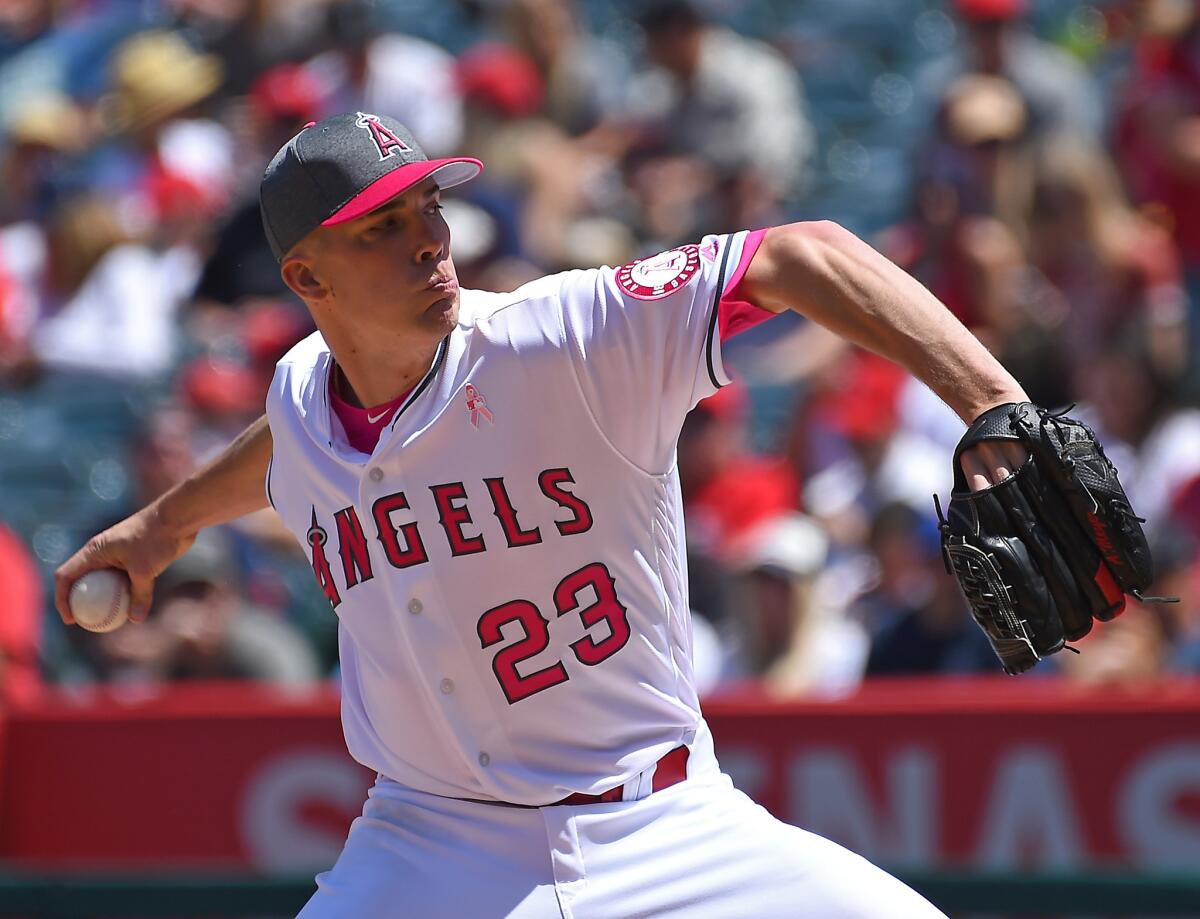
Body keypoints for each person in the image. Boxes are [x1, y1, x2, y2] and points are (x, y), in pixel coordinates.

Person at [56, 111, 1028, 918]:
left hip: (668, 827)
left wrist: (995, 406)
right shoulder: (301, 395)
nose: (428, 238)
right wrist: (162, 528)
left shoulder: (563, 338)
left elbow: (803, 253)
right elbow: (284, 445)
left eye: (425, 207)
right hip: (430, 845)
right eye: (380, 228)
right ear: (307, 280)